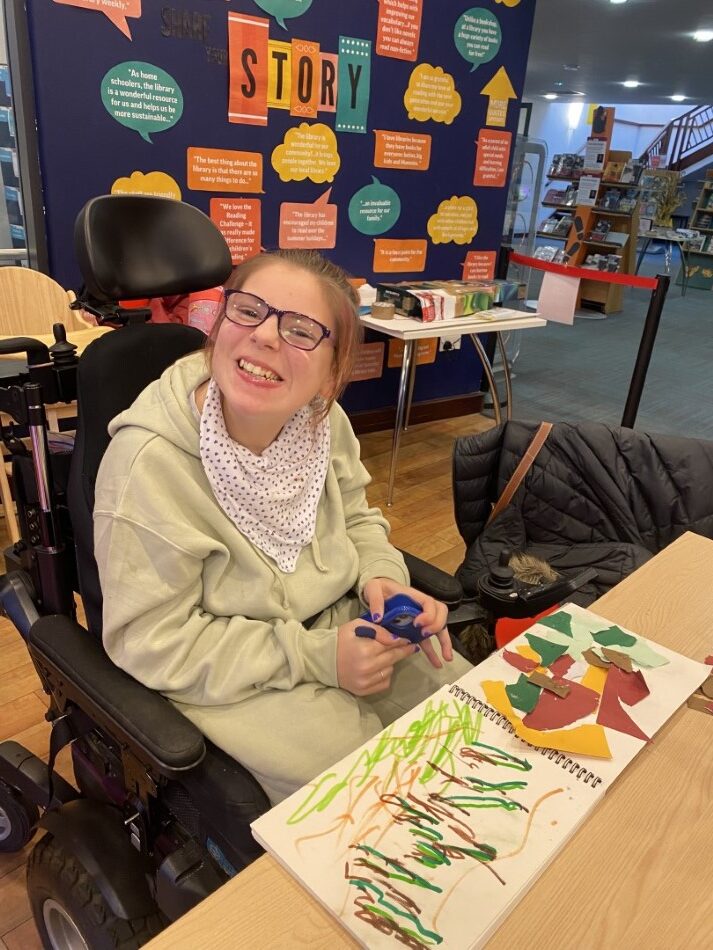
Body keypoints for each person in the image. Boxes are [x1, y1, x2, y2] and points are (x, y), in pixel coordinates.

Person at [94, 249, 471, 804]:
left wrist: (381, 576)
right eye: (248, 311)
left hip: (340, 621)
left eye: (300, 330)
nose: (266, 337)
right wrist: (319, 658)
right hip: (229, 669)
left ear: (333, 374)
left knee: (468, 724)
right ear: (219, 327)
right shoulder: (149, 465)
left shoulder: (323, 422)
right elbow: (150, 642)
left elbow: (358, 517)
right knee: (384, 796)